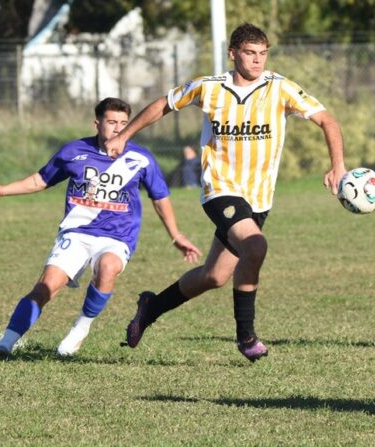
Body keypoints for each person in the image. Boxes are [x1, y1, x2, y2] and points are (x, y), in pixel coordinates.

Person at [104, 22, 346, 362]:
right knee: (255, 246)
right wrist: (124, 135)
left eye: (263, 54)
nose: (258, 61)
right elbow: (163, 104)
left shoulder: (280, 88)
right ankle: (246, 336)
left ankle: (151, 307)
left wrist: (338, 166)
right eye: (250, 53)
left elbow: (328, 121)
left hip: (258, 197)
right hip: (219, 188)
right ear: (233, 54)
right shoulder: (209, 88)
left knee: (215, 275)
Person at [0, 97, 202, 359]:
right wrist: (1, 190)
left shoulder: (141, 158)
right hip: (77, 233)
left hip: (117, 237)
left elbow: (160, 197)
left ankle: (80, 329)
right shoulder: (74, 151)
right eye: (111, 122)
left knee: (107, 268)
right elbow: (40, 180)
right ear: (97, 124)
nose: (118, 128)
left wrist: (176, 235)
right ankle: (5, 343)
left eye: (123, 123)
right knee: (46, 287)